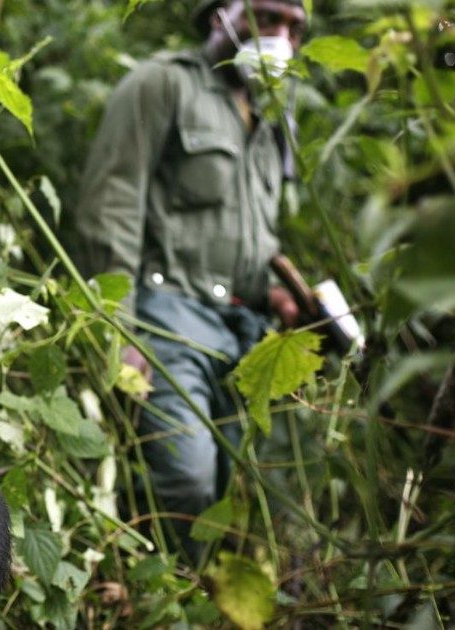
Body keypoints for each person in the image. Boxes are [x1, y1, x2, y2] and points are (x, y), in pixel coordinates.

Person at [69, 0, 306, 563]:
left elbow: (250, 229)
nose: (283, 39)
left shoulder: (273, 118)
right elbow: (111, 209)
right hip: (167, 316)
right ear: (223, 13)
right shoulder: (161, 84)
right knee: (188, 480)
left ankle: (172, 590)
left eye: (295, 28)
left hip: (243, 329)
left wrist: (279, 293)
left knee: (228, 489)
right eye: (267, 18)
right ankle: (147, 596)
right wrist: (117, 330)